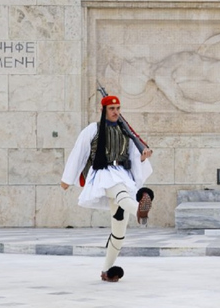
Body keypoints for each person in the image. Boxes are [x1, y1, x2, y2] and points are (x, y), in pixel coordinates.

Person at [61, 95, 154, 282]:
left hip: (122, 172)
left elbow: (134, 155)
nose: (116, 112)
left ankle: (107, 270)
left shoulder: (125, 131)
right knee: (121, 193)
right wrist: (67, 179)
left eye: (118, 108)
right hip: (103, 174)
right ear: (104, 110)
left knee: (119, 231)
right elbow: (79, 152)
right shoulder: (93, 129)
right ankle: (139, 210)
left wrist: (143, 157)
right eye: (112, 109)